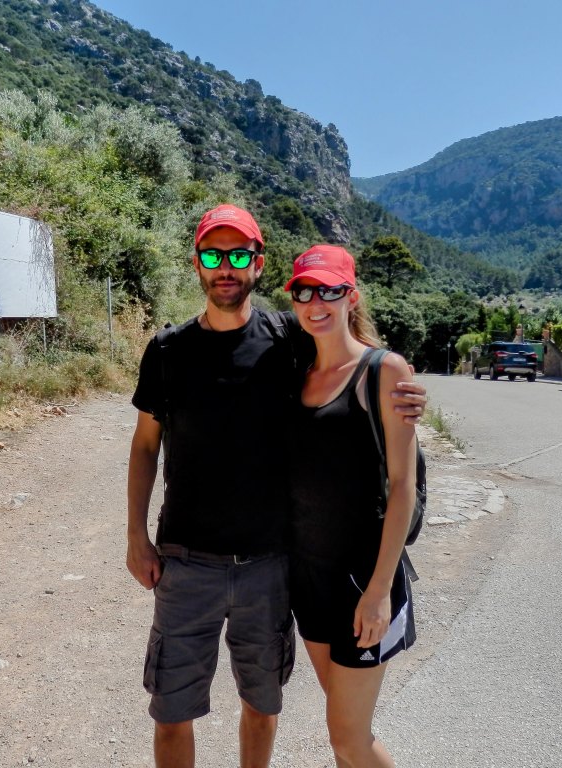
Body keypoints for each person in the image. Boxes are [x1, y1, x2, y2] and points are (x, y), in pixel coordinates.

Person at [126, 204, 426, 768]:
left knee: (268, 711)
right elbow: (144, 446)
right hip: (188, 561)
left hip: (270, 566)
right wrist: (135, 537)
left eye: (239, 255)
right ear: (196, 263)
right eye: (213, 255)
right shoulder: (167, 351)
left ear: (258, 266)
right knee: (172, 716)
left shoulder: (286, 338)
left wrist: (409, 389)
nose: (226, 268)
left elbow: (358, 360)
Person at [284, 244, 417, 768]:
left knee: (347, 737)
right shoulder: (294, 371)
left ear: (351, 296)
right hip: (309, 578)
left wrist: (380, 592)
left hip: (365, 579)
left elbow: (403, 486)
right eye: (304, 292)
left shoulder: (383, 371)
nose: (317, 302)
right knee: (344, 726)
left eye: (330, 290)